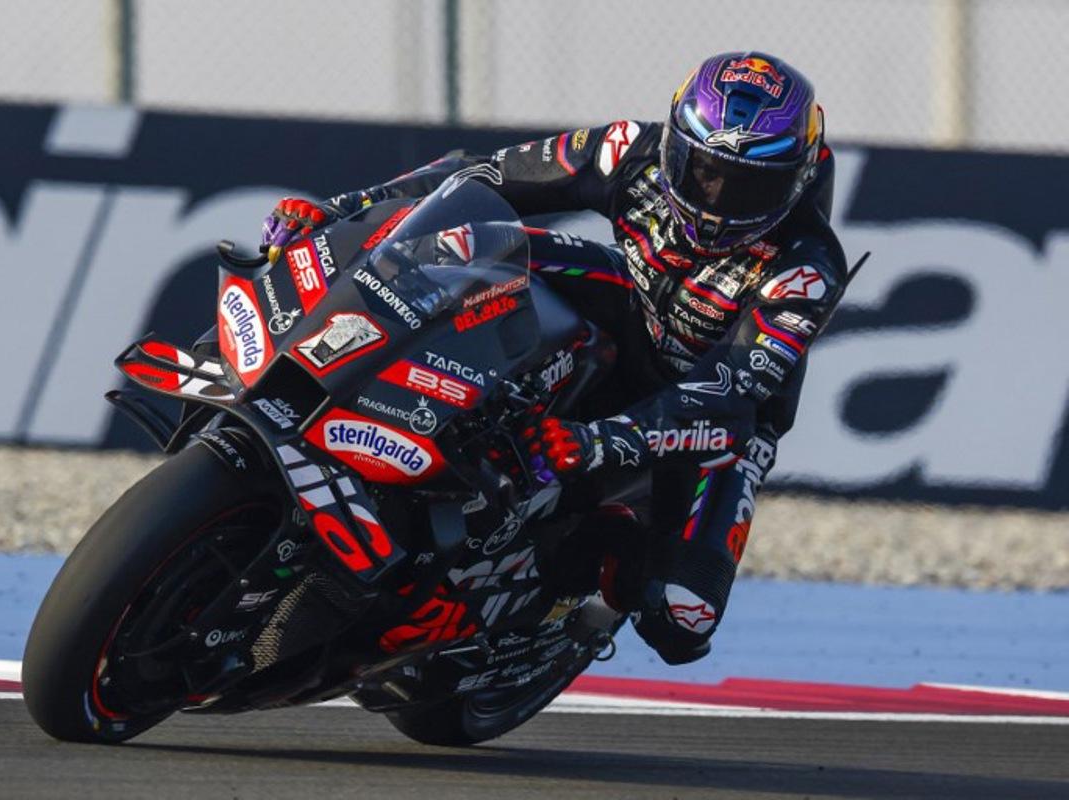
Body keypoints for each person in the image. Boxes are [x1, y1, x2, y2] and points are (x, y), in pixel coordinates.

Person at [261, 52, 847, 666]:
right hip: (630, 304)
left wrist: (600, 441)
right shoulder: (625, 149)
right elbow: (479, 175)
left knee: (682, 619)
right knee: (474, 245)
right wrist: (343, 209)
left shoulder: (806, 268)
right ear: (675, 144)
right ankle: (372, 383)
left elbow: (730, 396)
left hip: (713, 419)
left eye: (751, 183)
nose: (719, 198)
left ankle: (591, 565)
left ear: (798, 179)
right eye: (703, 170)